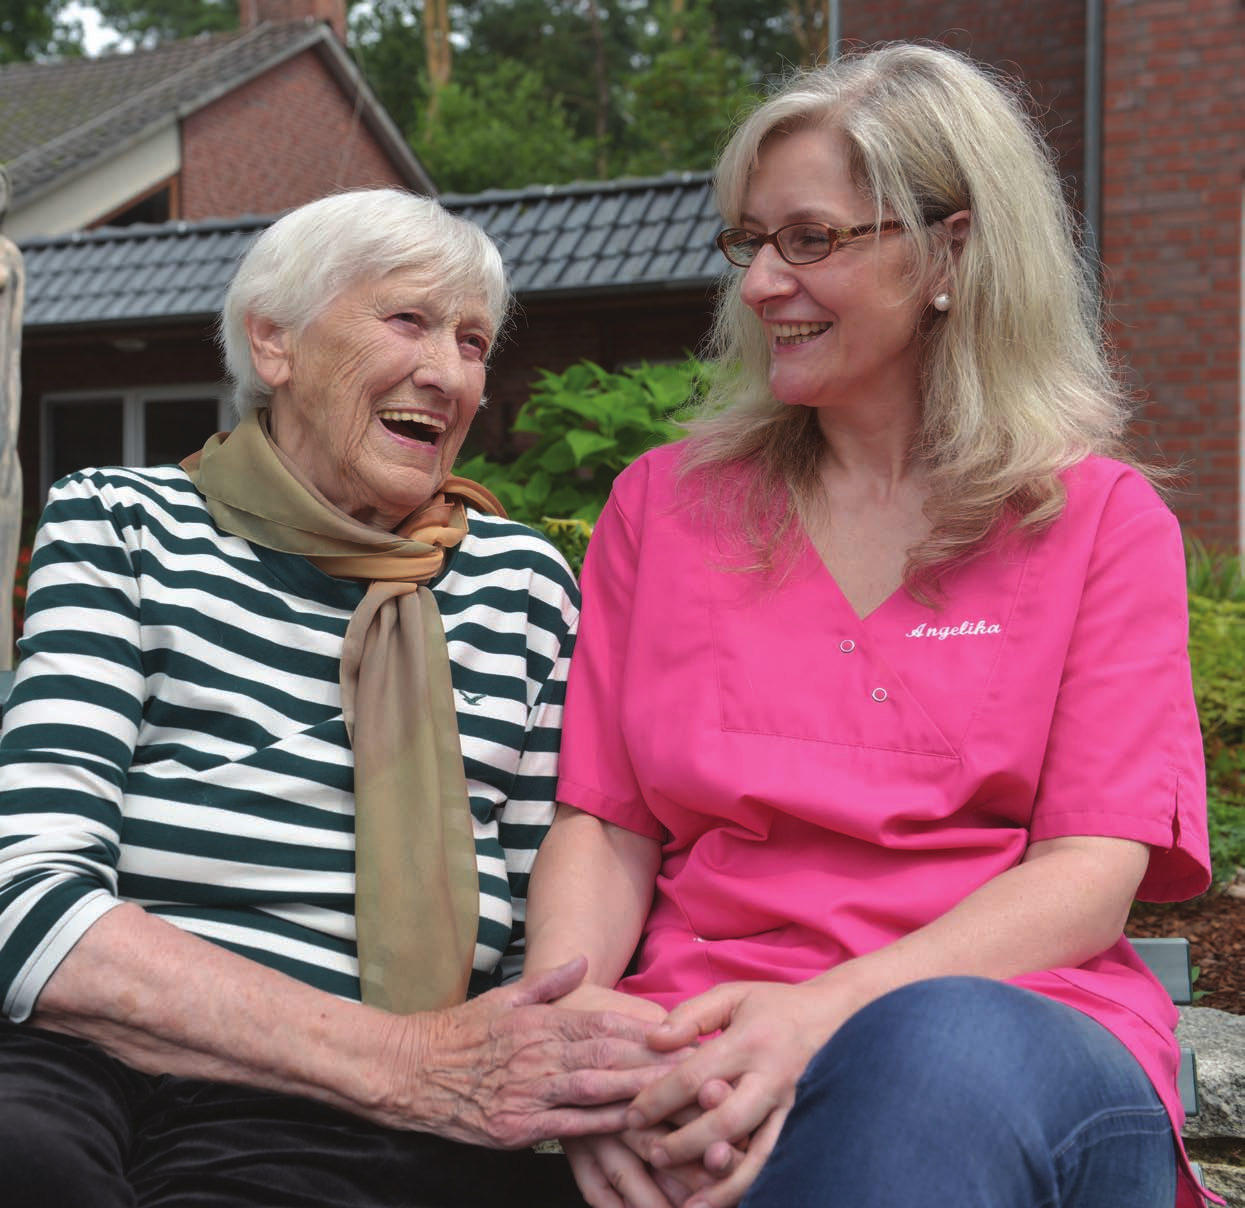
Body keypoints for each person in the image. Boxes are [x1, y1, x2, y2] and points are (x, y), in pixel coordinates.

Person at [523, 42, 1214, 1208]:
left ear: (953, 247)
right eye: (750, 242)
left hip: (1014, 1036)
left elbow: (1091, 874)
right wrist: (578, 1048)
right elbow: (606, 825)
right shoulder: (661, 506)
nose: (758, 284)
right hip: (702, 1049)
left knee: (924, 1060)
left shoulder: (1098, 520)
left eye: (813, 238)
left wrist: (824, 1019)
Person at [0, 188, 673, 1208]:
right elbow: (26, 890)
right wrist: (402, 1060)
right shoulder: (125, 526)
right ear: (273, 343)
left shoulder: (522, 585)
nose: (446, 372)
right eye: (406, 320)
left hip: (356, 1124)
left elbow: (556, 914)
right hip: (96, 1050)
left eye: (474, 339)